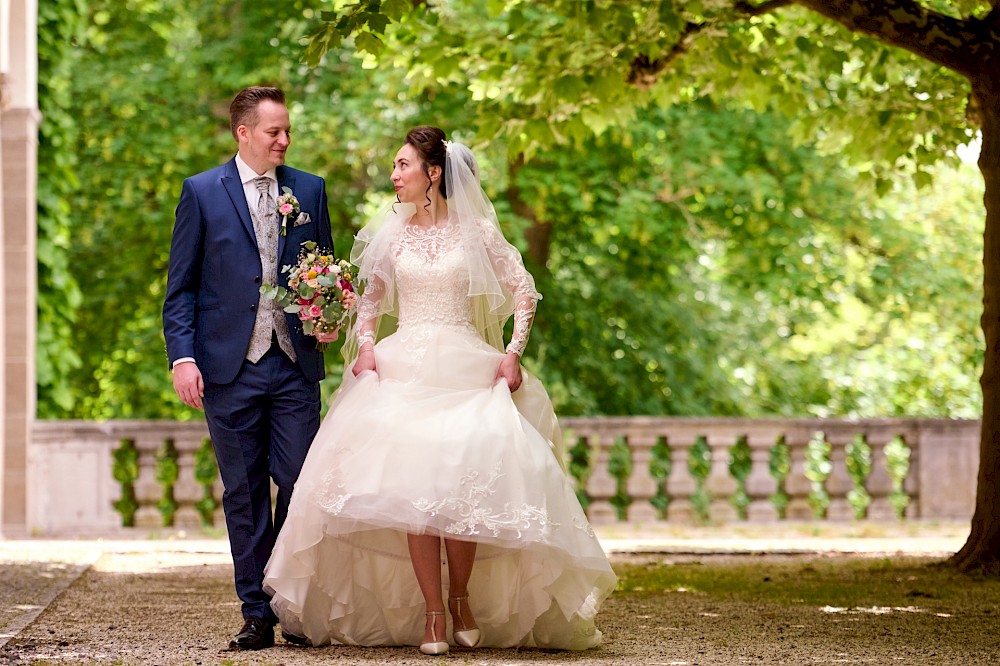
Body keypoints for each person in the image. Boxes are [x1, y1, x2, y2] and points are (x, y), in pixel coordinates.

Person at [263, 126, 617, 654]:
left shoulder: (477, 232)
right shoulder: (394, 232)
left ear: (434, 173)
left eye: (403, 165)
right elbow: (371, 299)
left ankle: (461, 601)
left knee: (464, 480)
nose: (394, 175)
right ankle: (433, 613)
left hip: (464, 365)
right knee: (414, 490)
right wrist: (364, 347)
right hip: (404, 368)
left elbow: (523, 289)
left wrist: (513, 353)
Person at [162, 86, 335, 651]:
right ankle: (258, 612)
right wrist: (183, 358)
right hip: (226, 367)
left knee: (300, 484)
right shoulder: (201, 193)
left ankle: (289, 596)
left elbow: (325, 274)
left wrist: (329, 316)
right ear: (244, 133)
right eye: (274, 132)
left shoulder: (309, 190)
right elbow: (180, 289)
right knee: (242, 492)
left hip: (292, 363)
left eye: (287, 131)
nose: (284, 140)